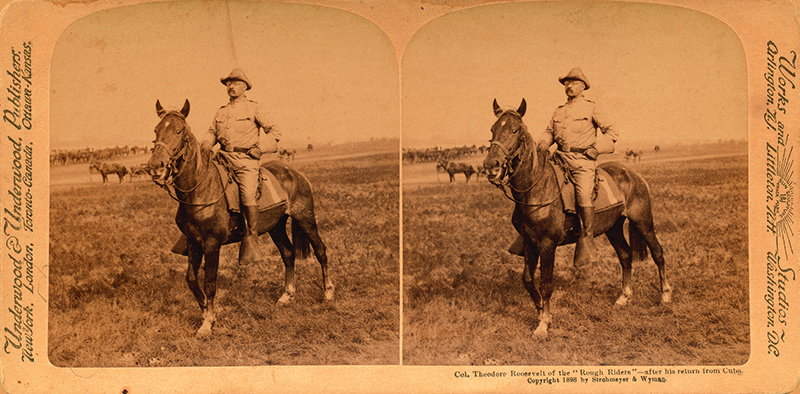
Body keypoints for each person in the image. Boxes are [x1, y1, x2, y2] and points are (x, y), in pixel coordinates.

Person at [509, 68, 618, 267]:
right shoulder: (559, 111)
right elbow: (549, 131)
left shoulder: (591, 108)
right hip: (559, 158)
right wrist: (543, 144)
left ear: (583, 86)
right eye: (566, 83)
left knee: (583, 194)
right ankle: (528, 232)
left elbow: (612, 132)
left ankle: (586, 239)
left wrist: (597, 148)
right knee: (537, 186)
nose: (569, 86)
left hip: (582, 161)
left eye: (574, 82)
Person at [200, 68, 281, 265]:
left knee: (247, 194)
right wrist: (206, 143)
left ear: (244, 86)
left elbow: (275, 131)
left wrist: (260, 149)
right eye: (228, 83)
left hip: (246, 161)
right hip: (223, 158)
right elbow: (212, 132)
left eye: (235, 83)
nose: (230, 86)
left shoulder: (254, 108)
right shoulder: (221, 111)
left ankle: (251, 238)